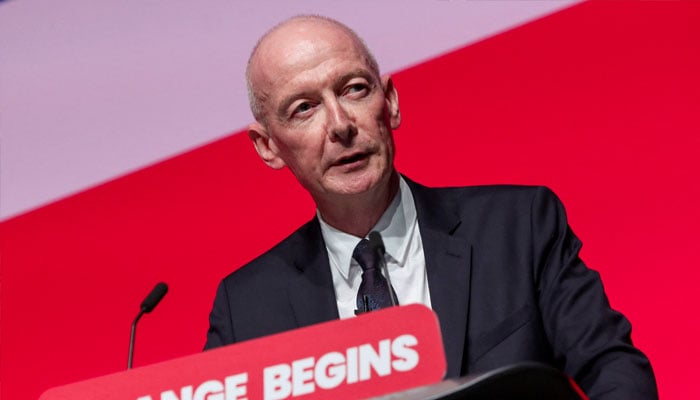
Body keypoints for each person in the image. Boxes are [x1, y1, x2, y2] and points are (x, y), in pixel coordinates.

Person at [205, 15, 657, 399]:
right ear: (268, 147)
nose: (340, 125)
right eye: (304, 108)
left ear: (391, 103)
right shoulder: (246, 309)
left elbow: (614, 370)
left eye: (354, 89)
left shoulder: (518, 229)